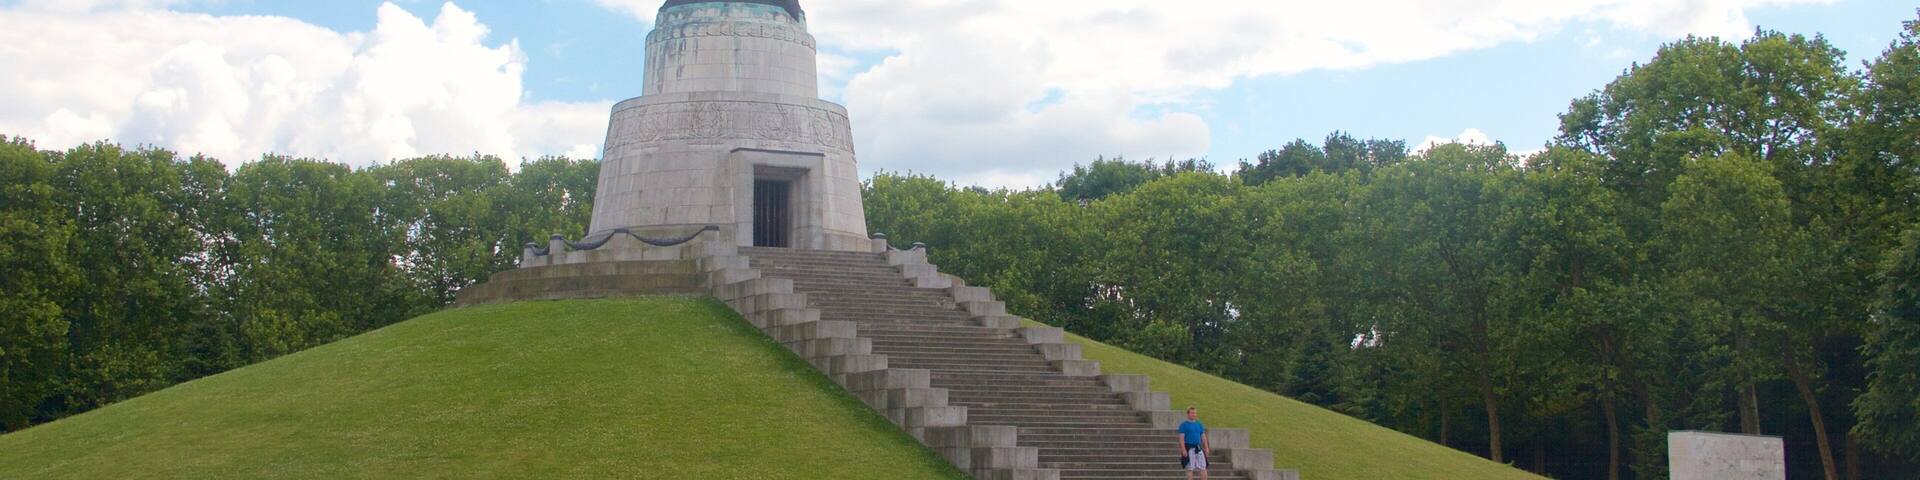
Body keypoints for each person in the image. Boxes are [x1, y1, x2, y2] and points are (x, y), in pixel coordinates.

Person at [1177, 406, 1210, 480]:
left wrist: (1207, 448)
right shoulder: (1183, 425)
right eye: (1192, 413)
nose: (1194, 414)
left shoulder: (1199, 424)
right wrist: (1183, 449)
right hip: (1189, 448)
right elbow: (1181, 438)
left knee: (1203, 467)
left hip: (1198, 448)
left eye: (1195, 413)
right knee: (1190, 468)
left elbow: (1203, 437)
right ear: (1188, 414)